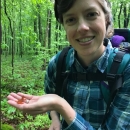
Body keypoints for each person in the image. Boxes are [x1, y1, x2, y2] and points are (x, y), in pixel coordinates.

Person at [7, 0, 130, 130]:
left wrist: (60, 105)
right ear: (64, 26)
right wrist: (55, 119)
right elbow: (51, 91)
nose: (82, 27)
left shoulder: (125, 69)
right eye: (71, 19)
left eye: (91, 14)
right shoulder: (58, 63)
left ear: (106, 19)